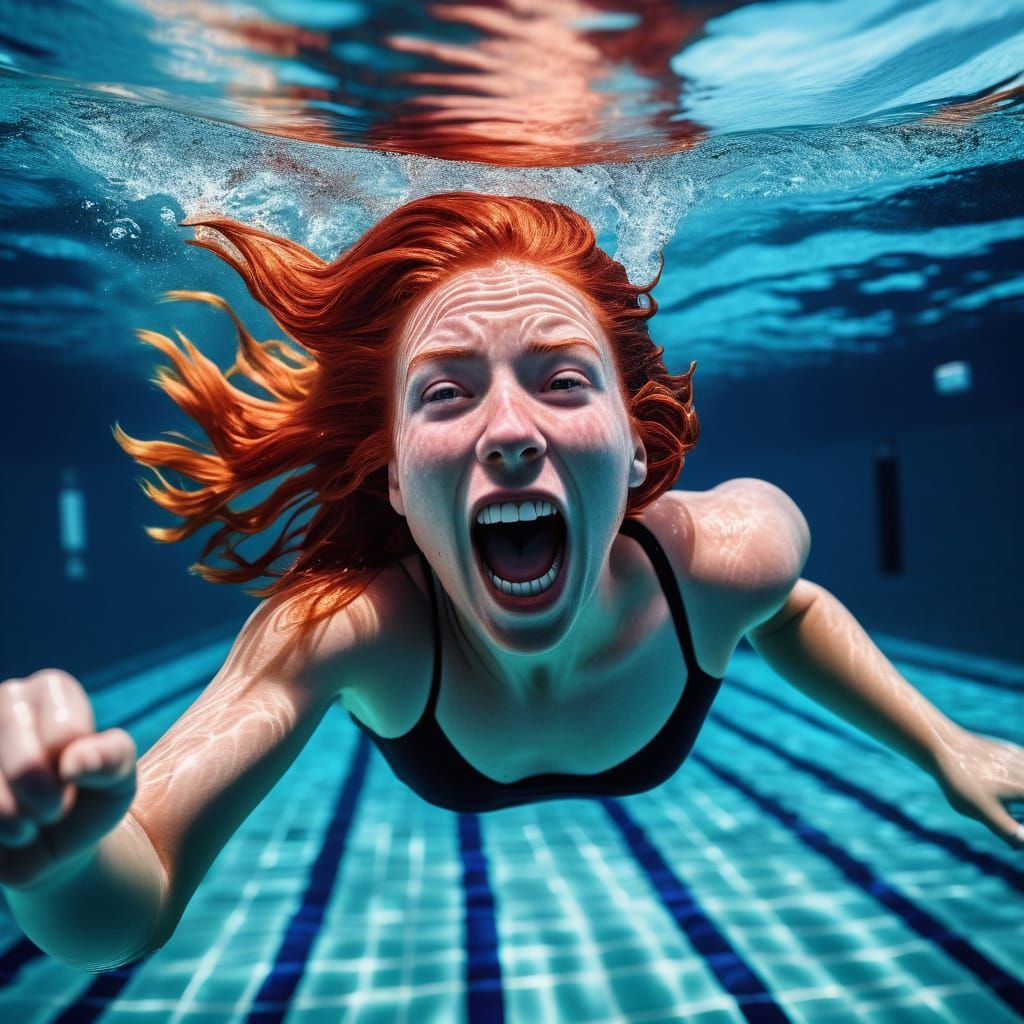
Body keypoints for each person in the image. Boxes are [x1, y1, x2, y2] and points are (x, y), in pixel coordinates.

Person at [1, 193, 1021, 973]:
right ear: (396, 475)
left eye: (563, 379)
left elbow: (789, 608)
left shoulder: (727, 551)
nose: (509, 432)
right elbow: (140, 891)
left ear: (631, 449)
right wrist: (58, 868)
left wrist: (943, 742)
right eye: (446, 392)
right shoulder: (349, 631)